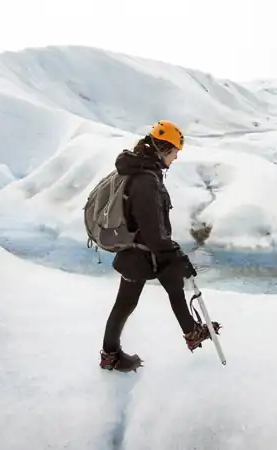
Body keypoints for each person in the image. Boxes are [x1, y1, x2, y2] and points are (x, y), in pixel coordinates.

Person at [99, 120, 220, 372]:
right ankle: (111, 354)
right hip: (141, 252)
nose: (176, 158)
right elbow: (153, 234)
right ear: (164, 148)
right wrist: (177, 254)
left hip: (140, 251)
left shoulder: (143, 171)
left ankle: (190, 332)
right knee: (130, 300)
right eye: (175, 151)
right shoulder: (145, 181)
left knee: (163, 285)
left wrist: (173, 254)